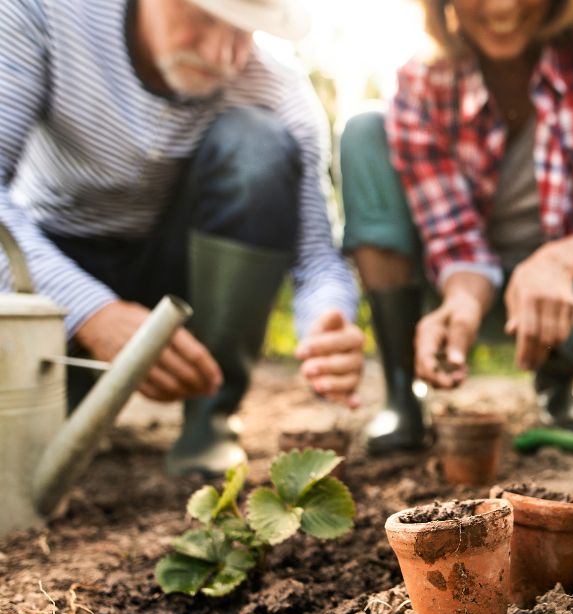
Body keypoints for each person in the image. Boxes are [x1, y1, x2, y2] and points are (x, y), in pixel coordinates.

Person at [0, 0, 365, 478]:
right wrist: (90, 312)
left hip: (184, 274)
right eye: (205, 16)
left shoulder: (277, 89)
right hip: (55, 264)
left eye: (245, 31)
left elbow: (316, 258)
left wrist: (327, 323)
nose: (222, 53)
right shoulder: (42, 13)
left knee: (258, 144)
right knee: (27, 448)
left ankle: (209, 418)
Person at [339, 0, 573, 454]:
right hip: (472, 290)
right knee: (364, 131)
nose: (502, 5)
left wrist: (556, 262)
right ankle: (401, 389)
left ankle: (559, 381)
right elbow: (453, 238)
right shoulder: (421, 81)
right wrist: (463, 298)